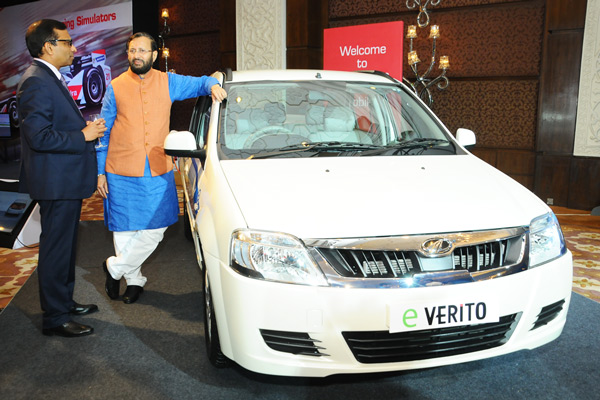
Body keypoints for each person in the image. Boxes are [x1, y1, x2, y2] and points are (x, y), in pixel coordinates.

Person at [96, 32, 227, 304]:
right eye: (133, 51)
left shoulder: (169, 81)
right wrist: (100, 172)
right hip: (119, 169)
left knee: (156, 228)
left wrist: (213, 84)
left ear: (154, 55)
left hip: (157, 168)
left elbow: (201, 83)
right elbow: (103, 133)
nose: (137, 55)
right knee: (124, 230)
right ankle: (134, 281)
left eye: (143, 51)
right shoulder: (115, 87)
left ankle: (114, 268)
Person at [17, 19, 107, 337]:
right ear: (48, 46)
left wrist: (84, 130)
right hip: (55, 183)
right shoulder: (35, 81)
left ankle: (64, 304)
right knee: (56, 250)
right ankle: (55, 318)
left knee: (65, 247)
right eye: (67, 42)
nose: (74, 48)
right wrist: (83, 135)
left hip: (63, 181)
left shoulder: (47, 77)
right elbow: (39, 137)